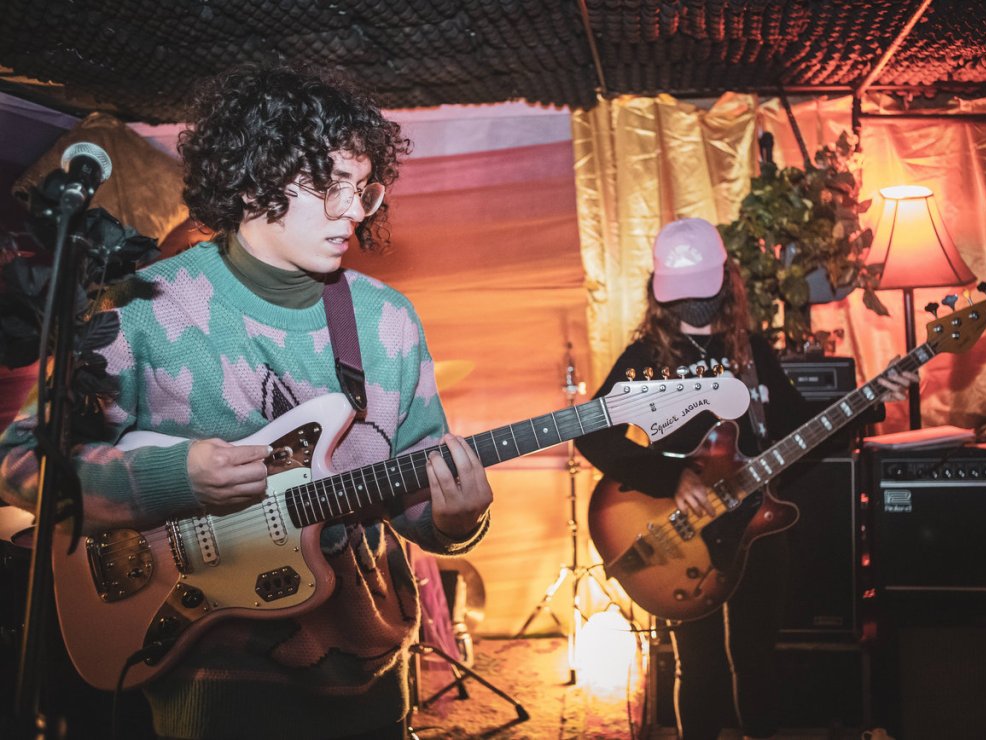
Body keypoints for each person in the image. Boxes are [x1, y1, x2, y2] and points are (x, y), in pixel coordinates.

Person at [0, 64, 493, 740]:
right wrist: (177, 477)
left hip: (368, 667)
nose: (355, 211)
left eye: (363, 188)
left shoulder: (388, 321)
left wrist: (454, 519)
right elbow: (24, 464)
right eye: (330, 186)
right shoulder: (141, 308)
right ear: (254, 182)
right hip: (213, 680)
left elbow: (412, 490)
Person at [576, 217, 914, 740]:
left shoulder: (751, 351)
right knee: (699, 666)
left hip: (757, 529)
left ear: (726, 279)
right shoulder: (646, 360)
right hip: (682, 535)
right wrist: (671, 476)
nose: (693, 303)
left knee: (757, 661)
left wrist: (871, 400)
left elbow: (800, 433)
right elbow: (590, 435)